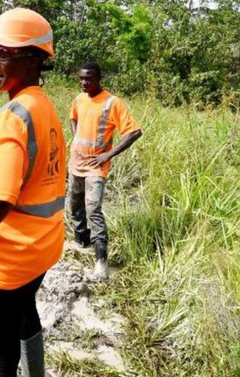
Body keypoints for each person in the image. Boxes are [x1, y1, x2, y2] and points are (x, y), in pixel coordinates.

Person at [0, 8, 66, 377]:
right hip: (39, 250)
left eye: (5, 53)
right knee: (25, 315)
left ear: (35, 59)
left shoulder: (13, 118)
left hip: (3, 262)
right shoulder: (43, 106)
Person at [68, 61, 142, 280]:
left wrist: (108, 155)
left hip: (96, 168)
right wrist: (75, 138)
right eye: (81, 78)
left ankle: (101, 264)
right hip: (76, 164)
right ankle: (81, 242)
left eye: (88, 78)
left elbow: (134, 132)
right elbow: (73, 117)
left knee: (94, 211)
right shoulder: (79, 99)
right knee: (74, 206)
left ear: (99, 78)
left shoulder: (112, 103)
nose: (84, 82)